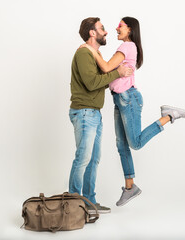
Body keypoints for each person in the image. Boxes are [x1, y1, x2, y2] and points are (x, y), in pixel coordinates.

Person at [80, 17, 185, 206]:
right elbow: (109, 72)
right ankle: (130, 188)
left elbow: (105, 67)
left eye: (120, 26)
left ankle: (169, 115)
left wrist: (89, 49)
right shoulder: (125, 48)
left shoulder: (127, 47)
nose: (116, 28)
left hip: (128, 99)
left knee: (135, 143)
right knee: (121, 146)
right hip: (119, 99)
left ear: (130, 30)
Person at [69, 17, 133, 214]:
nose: (106, 32)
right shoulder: (83, 54)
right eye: (102, 28)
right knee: (83, 158)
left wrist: (117, 76)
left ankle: (89, 202)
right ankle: (73, 203)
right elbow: (92, 83)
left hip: (94, 114)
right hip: (84, 112)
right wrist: (118, 73)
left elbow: (100, 80)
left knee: (94, 159)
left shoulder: (94, 54)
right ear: (92, 33)